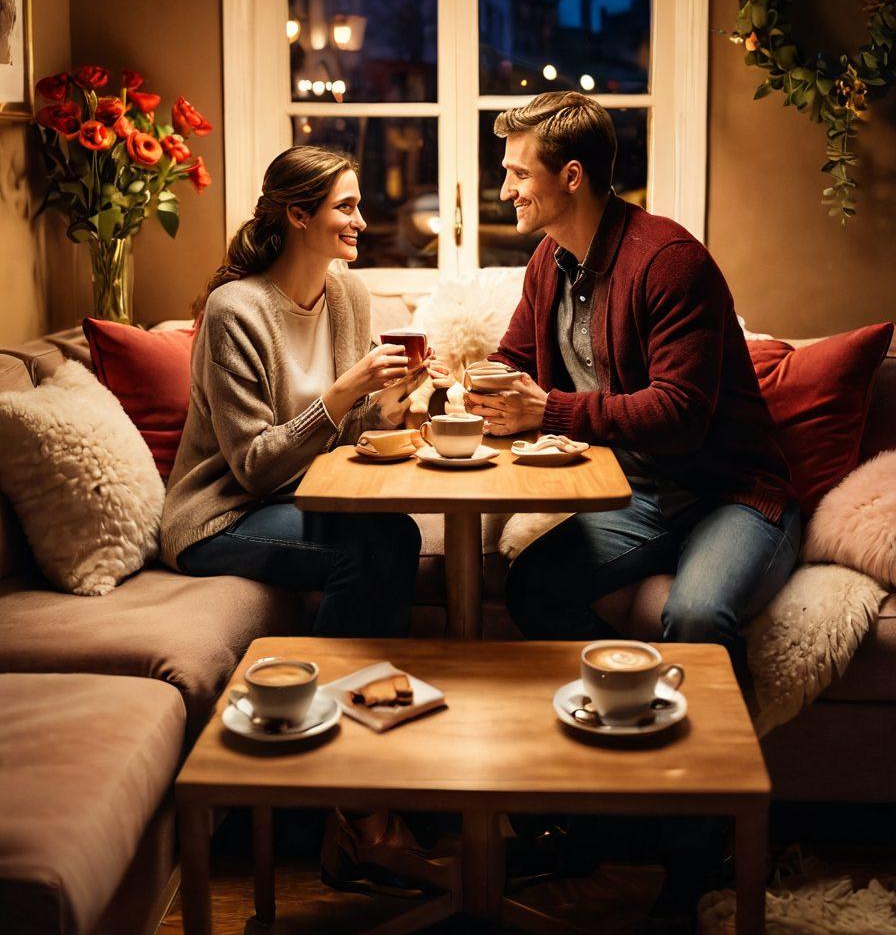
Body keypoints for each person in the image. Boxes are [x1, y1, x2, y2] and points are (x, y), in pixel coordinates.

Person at [465, 91, 801, 667]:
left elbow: (680, 413)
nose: (505, 191)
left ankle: (719, 757)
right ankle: (619, 710)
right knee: (531, 587)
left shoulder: (669, 260)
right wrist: (467, 386)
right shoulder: (547, 262)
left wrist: (546, 410)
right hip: (634, 496)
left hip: (729, 497)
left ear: (572, 176)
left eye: (519, 173)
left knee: (694, 616)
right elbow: (513, 362)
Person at [161, 145, 433, 637]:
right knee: (373, 546)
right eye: (345, 207)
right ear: (298, 215)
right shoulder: (235, 311)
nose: (362, 222)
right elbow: (256, 470)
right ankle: (327, 696)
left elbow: (347, 436)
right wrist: (348, 388)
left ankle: (373, 693)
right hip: (224, 515)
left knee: (395, 531)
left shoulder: (348, 296)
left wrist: (389, 406)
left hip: (304, 497)